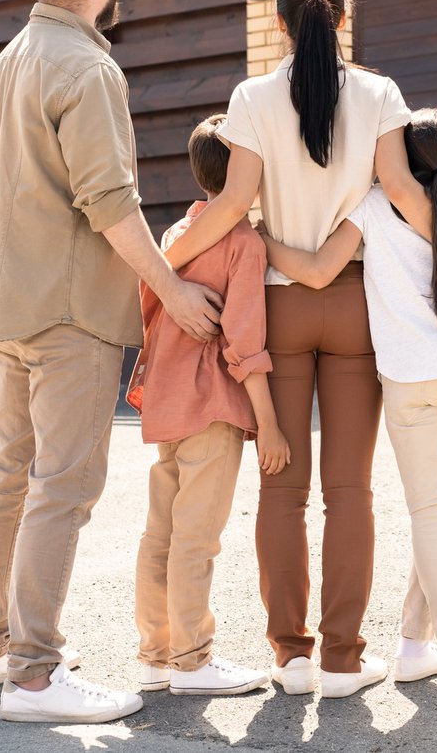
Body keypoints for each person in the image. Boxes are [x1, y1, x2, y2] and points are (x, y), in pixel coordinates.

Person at [0, 0, 223, 725]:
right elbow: (109, 202)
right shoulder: (87, 67)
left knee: (10, 477)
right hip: (70, 309)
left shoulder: (5, 64)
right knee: (62, 487)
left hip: (9, 300)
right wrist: (174, 291)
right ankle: (34, 677)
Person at [157, 0, 432, 699]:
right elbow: (401, 192)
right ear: (342, 18)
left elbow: (232, 205)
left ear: (279, 23)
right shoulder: (380, 94)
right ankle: (343, 659)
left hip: (276, 307)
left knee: (282, 490)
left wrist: (161, 264)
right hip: (353, 304)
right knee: (351, 491)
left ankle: (291, 656)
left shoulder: (250, 98)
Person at [260, 109, 437, 687]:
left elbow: (321, 272)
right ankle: (412, 646)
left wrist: (264, 241)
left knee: (432, 516)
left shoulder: (371, 207)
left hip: (409, 379)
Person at [125, 114, 289, 697]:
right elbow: (243, 342)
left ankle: (156, 655)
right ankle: (193, 662)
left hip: (164, 403)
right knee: (197, 539)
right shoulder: (242, 242)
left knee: (161, 535)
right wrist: (268, 423)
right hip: (214, 406)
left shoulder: (173, 237)